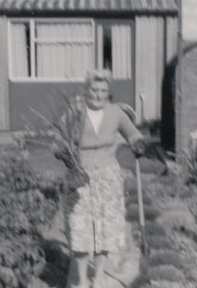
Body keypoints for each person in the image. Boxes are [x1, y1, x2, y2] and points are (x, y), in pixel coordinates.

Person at [59, 69, 145, 288]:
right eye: (94, 89)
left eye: (103, 90)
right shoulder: (75, 112)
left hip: (108, 177)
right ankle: (81, 279)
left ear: (108, 92)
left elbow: (133, 133)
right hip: (80, 177)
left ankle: (97, 279)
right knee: (79, 227)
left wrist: (137, 143)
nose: (98, 94)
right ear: (87, 90)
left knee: (104, 231)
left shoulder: (116, 112)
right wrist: (64, 154)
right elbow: (58, 138)